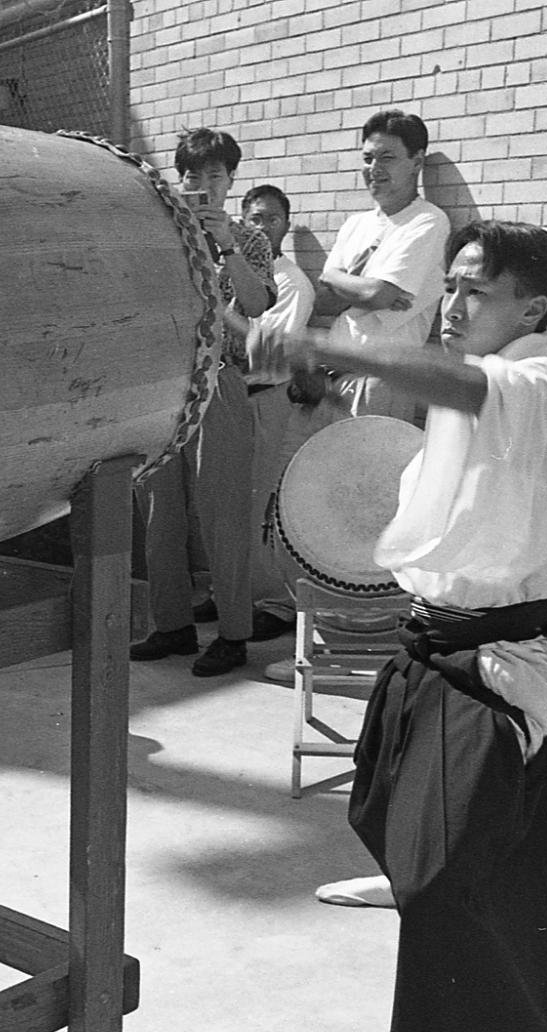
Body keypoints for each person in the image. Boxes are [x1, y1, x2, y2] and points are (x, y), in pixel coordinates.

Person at [251, 220, 547, 1032]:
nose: (452, 305)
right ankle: (422, 881)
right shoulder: (481, 388)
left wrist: (318, 340)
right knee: (391, 812)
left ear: (532, 309)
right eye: (451, 287)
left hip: (504, 661)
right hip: (429, 646)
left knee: (449, 874)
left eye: (475, 290)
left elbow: (466, 382)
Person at [130, 127, 281, 677]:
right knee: (158, 511)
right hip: (164, 386)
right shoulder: (160, 232)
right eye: (193, 174)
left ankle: (234, 634)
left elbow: (258, 301)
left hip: (222, 381)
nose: (203, 184)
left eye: (215, 174)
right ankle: (170, 626)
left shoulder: (250, 239)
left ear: (231, 180)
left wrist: (227, 245)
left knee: (222, 512)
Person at [313, 110, 451, 424]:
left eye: (387, 157)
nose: (374, 169)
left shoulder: (427, 222)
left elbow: (378, 295)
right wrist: (350, 285)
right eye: (367, 158)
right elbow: (322, 302)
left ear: (417, 161)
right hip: (332, 377)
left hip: (378, 382)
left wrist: (341, 280)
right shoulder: (355, 225)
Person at [239, 183, 320, 654]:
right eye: (253, 218)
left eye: (270, 218)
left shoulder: (291, 283)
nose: (261, 226)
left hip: (265, 395)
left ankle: (274, 603)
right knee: (231, 507)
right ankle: (231, 593)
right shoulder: (233, 271)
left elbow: (265, 343)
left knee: (259, 506)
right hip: (230, 397)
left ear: (285, 225)